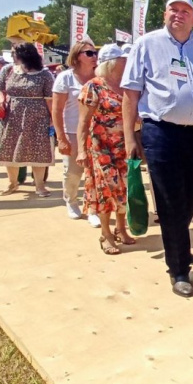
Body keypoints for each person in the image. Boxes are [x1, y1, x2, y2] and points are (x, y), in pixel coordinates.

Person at [122, 0, 193, 297]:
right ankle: (179, 270)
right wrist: (130, 136)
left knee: (191, 196)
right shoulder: (146, 44)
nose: (178, 14)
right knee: (170, 201)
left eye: (185, 10)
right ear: (164, 15)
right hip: (160, 132)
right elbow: (131, 94)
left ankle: (180, 247)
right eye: (173, 9)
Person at [77, 44, 134, 254]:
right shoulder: (94, 86)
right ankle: (106, 233)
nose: (126, 62)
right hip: (101, 146)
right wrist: (81, 150)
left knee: (124, 186)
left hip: (124, 145)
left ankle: (121, 228)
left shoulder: (127, 85)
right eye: (122, 59)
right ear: (112, 63)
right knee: (106, 188)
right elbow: (83, 122)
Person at [0, 43, 55, 196]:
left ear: (24, 54)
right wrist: (1, 99)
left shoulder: (44, 74)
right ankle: (12, 183)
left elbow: (50, 99)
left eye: (14, 53)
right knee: (10, 148)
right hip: (11, 116)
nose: (12, 56)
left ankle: (40, 185)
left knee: (38, 150)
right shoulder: (8, 70)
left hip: (38, 118)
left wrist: (53, 118)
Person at [52, 38, 99, 220]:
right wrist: (61, 137)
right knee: (73, 172)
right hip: (72, 131)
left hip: (98, 132)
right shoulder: (65, 78)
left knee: (95, 172)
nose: (94, 56)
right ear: (77, 56)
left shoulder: (100, 76)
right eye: (89, 53)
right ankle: (71, 200)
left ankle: (93, 208)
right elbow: (57, 110)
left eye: (95, 53)